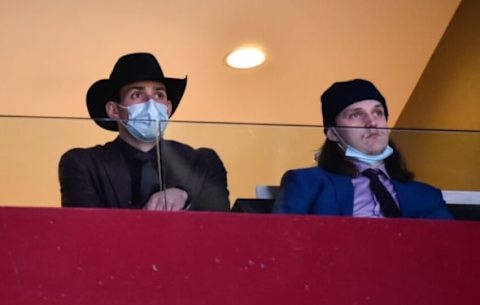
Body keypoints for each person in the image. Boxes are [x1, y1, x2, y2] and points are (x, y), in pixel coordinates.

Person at [59, 52, 230, 211]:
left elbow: (222, 229)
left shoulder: (202, 163)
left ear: (168, 108)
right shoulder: (83, 164)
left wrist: (185, 195)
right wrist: (143, 219)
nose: (151, 103)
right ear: (114, 110)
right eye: (137, 94)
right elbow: (86, 234)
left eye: (159, 95)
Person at [272, 79, 451, 219]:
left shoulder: (426, 195)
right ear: (333, 133)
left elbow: (449, 251)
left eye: (378, 112)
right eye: (356, 114)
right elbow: (283, 243)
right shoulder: (307, 182)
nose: (372, 122)